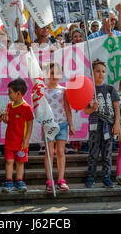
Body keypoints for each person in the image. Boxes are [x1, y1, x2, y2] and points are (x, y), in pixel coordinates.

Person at [83, 59, 121, 188]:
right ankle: (91, 176)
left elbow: (117, 107)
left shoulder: (110, 89)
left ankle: (106, 176)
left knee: (107, 152)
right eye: (98, 71)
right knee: (93, 151)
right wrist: (93, 108)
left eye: (103, 71)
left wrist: (117, 124)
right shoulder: (89, 90)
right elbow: (85, 110)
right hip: (95, 124)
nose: (101, 74)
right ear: (92, 72)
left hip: (109, 125)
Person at [43, 63, 75, 192]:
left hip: (62, 124)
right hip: (48, 125)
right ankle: (50, 180)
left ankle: (61, 179)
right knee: (49, 152)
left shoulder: (64, 90)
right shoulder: (43, 90)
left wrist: (71, 124)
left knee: (61, 152)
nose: (54, 76)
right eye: (51, 73)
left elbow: (67, 108)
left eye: (57, 73)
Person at [1, 78, 34, 194]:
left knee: (20, 162)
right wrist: (5, 119)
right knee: (9, 161)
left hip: (21, 142)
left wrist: (27, 139)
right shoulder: (9, 106)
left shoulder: (27, 108)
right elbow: (9, 121)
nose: (8, 94)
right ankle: (9, 181)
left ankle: (19, 181)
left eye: (10, 92)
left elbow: (30, 124)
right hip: (10, 140)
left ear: (18, 93)